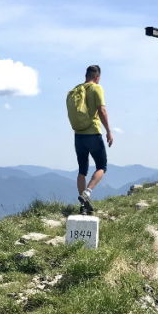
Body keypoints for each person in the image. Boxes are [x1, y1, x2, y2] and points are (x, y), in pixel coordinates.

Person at [66, 64, 113, 214]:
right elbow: (102, 110)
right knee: (102, 166)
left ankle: (83, 205)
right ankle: (87, 193)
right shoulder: (96, 88)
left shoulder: (77, 90)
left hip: (79, 135)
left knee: (82, 170)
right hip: (93, 133)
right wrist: (109, 131)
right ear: (97, 77)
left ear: (86, 76)